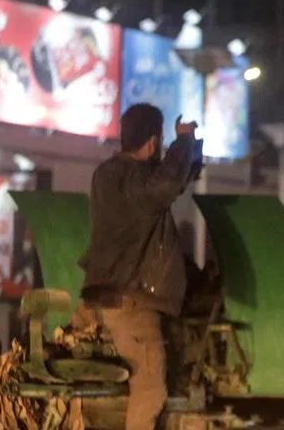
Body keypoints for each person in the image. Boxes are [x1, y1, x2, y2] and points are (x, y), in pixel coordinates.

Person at [78, 104, 199, 430]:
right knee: (150, 391)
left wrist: (188, 149)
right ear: (153, 141)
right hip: (134, 303)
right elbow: (164, 185)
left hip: (114, 299)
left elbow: (168, 180)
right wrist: (183, 142)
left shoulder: (107, 175)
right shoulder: (136, 181)